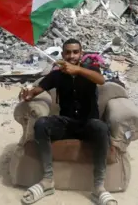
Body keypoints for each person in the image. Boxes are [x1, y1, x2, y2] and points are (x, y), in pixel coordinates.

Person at [19, 39, 117, 205]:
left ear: (81, 54)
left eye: (75, 52)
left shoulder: (90, 69)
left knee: (101, 127)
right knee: (41, 124)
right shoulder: (56, 75)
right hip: (66, 124)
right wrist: (27, 94)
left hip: (88, 123)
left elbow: (101, 80)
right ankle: (48, 180)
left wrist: (78, 70)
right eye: (68, 52)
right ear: (63, 54)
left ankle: (99, 186)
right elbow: (37, 90)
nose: (72, 56)